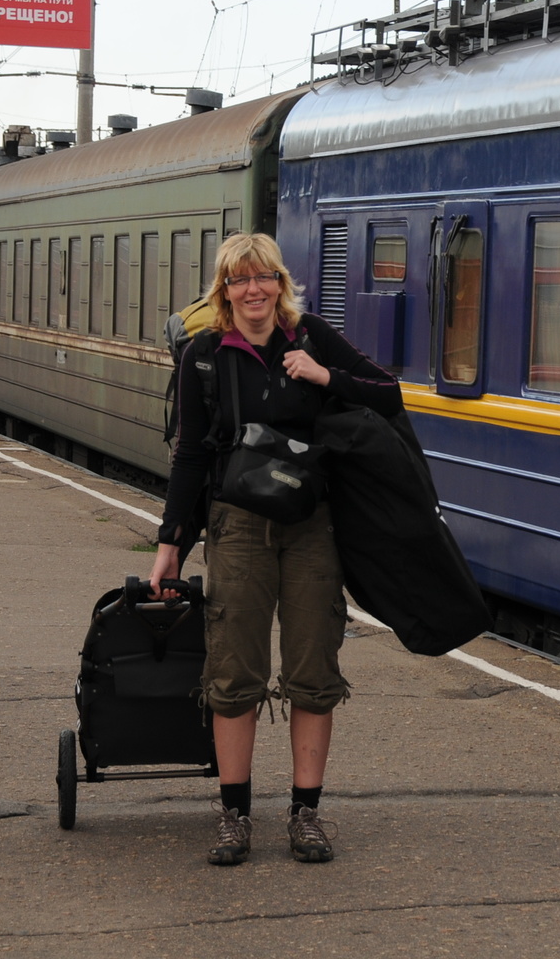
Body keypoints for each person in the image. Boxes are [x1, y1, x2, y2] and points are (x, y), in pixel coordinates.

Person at [149, 232, 401, 867]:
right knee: (234, 673)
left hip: (311, 526)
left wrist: (325, 376)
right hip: (236, 528)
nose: (253, 290)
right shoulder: (205, 355)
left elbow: (389, 395)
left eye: (263, 277)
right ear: (224, 290)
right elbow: (189, 455)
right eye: (239, 280)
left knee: (314, 670)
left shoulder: (311, 337)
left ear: (280, 283)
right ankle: (234, 816)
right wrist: (170, 543)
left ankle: (306, 814)